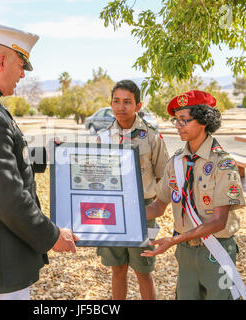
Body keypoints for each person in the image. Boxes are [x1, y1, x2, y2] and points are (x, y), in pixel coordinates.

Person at [0, 23, 78, 300]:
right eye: (21, 65)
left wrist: (49, 153)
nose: (22, 74)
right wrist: (53, 235)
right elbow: (9, 197)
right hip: (0, 254)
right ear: (2, 60)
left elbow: (7, 158)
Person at [141, 90, 246, 300]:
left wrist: (173, 240)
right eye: (176, 120)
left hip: (215, 251)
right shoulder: (176, 162)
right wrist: (121, 216)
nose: (178, 126)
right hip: (185, 251)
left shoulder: (222, 163)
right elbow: (158, 206)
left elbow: (219, 221)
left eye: (184, 120)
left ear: (203, 121)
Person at [97, 80, 169, 300]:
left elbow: (162, 176)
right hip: (111, 210)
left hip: (142, 209)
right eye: (116, 101)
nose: (121, 107)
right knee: (118, 269)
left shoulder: (151, 136)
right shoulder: (103, 137)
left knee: (143, 271)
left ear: (138, 105)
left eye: (127, 102)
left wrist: (152, 204)